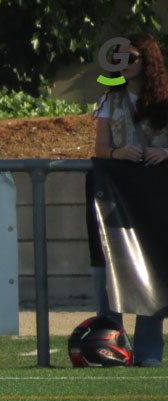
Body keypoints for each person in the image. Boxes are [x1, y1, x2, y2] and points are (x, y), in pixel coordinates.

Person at [92, 33, 167, 367]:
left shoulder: (165, 98)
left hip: (158, 193)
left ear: (147, 60)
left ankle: (149, 351)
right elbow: (100, 148)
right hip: (119, 191)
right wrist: (119, 152)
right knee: (112, 264)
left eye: (131, 58)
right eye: (119, 58)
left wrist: (163, 152)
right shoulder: (112, 96)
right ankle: (109, 345)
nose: (124, 64)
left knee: (155, 265)